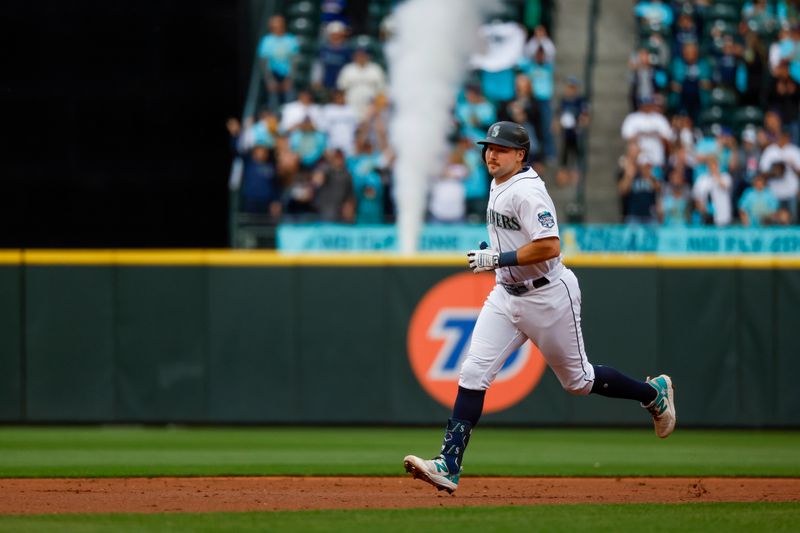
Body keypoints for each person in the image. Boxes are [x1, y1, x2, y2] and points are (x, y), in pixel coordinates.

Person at [403, 121, 677, 494]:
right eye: (488, 147)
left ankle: (653, 394)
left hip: (547, 294)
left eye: (500, 149)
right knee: (472, 372)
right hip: (506, 294)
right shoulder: (499, 182)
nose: (491, 154)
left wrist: (498, 258)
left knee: (578, 381)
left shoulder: (528, 191)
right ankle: (448, 464)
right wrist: (497, 256)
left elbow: (550, 245)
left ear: (520, 154)